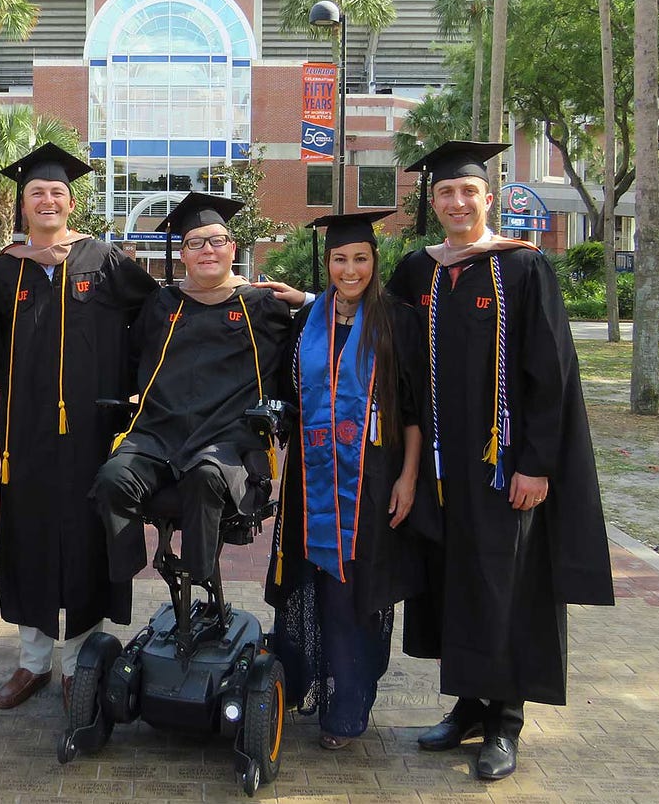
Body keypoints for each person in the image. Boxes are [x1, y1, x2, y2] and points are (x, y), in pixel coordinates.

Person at [386, 141, 613, 781]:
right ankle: (467, 705)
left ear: (489, 198)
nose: (457, 203)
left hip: (501, 462)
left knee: (505, 582)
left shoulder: (523, 268)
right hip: (438, 464)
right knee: (454, 577)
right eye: (445, 194)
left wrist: (536, 463)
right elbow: (390, 347)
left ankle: (506, 719)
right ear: (432, 204)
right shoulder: (418, 271)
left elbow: (552, 372)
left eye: (468, 193)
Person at [0, 143, 157, 711]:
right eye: (36, 193)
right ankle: (32, 663)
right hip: (26, 431)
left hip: (92, 430)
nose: (47, 200)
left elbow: (156, 318)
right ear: (23, 205)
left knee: (84, 537)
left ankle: (81, 661)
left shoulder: (103, 260)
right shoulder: (6, 270)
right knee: (27, 535)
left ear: (70, 202)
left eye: (56, 192)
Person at [258, 211, 435, 750]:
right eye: (340, 259)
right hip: (308, 481)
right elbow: (287, 391)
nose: (350, 269)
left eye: (360, 258)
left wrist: (408, 477)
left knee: (355, 592)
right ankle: (301, 686)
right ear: (328, 264)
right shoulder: (307, 322)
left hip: (371, 482)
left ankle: (347, 709)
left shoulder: (397, 322)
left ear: (374, 262)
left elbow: (412, 411)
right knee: (309, 585)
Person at [91, 193, 291, 588]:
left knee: (205, 475)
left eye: (217, 240)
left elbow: (307, 350)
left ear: (233, 247)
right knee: (114, 478)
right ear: (182, 253)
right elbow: (129, 360)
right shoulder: (162, 304)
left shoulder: (262, 305)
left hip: (227, 439)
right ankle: (127, 570)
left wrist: (309, 300)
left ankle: (198, 575)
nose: (207, 250)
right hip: (159, 434)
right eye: (195, 242)